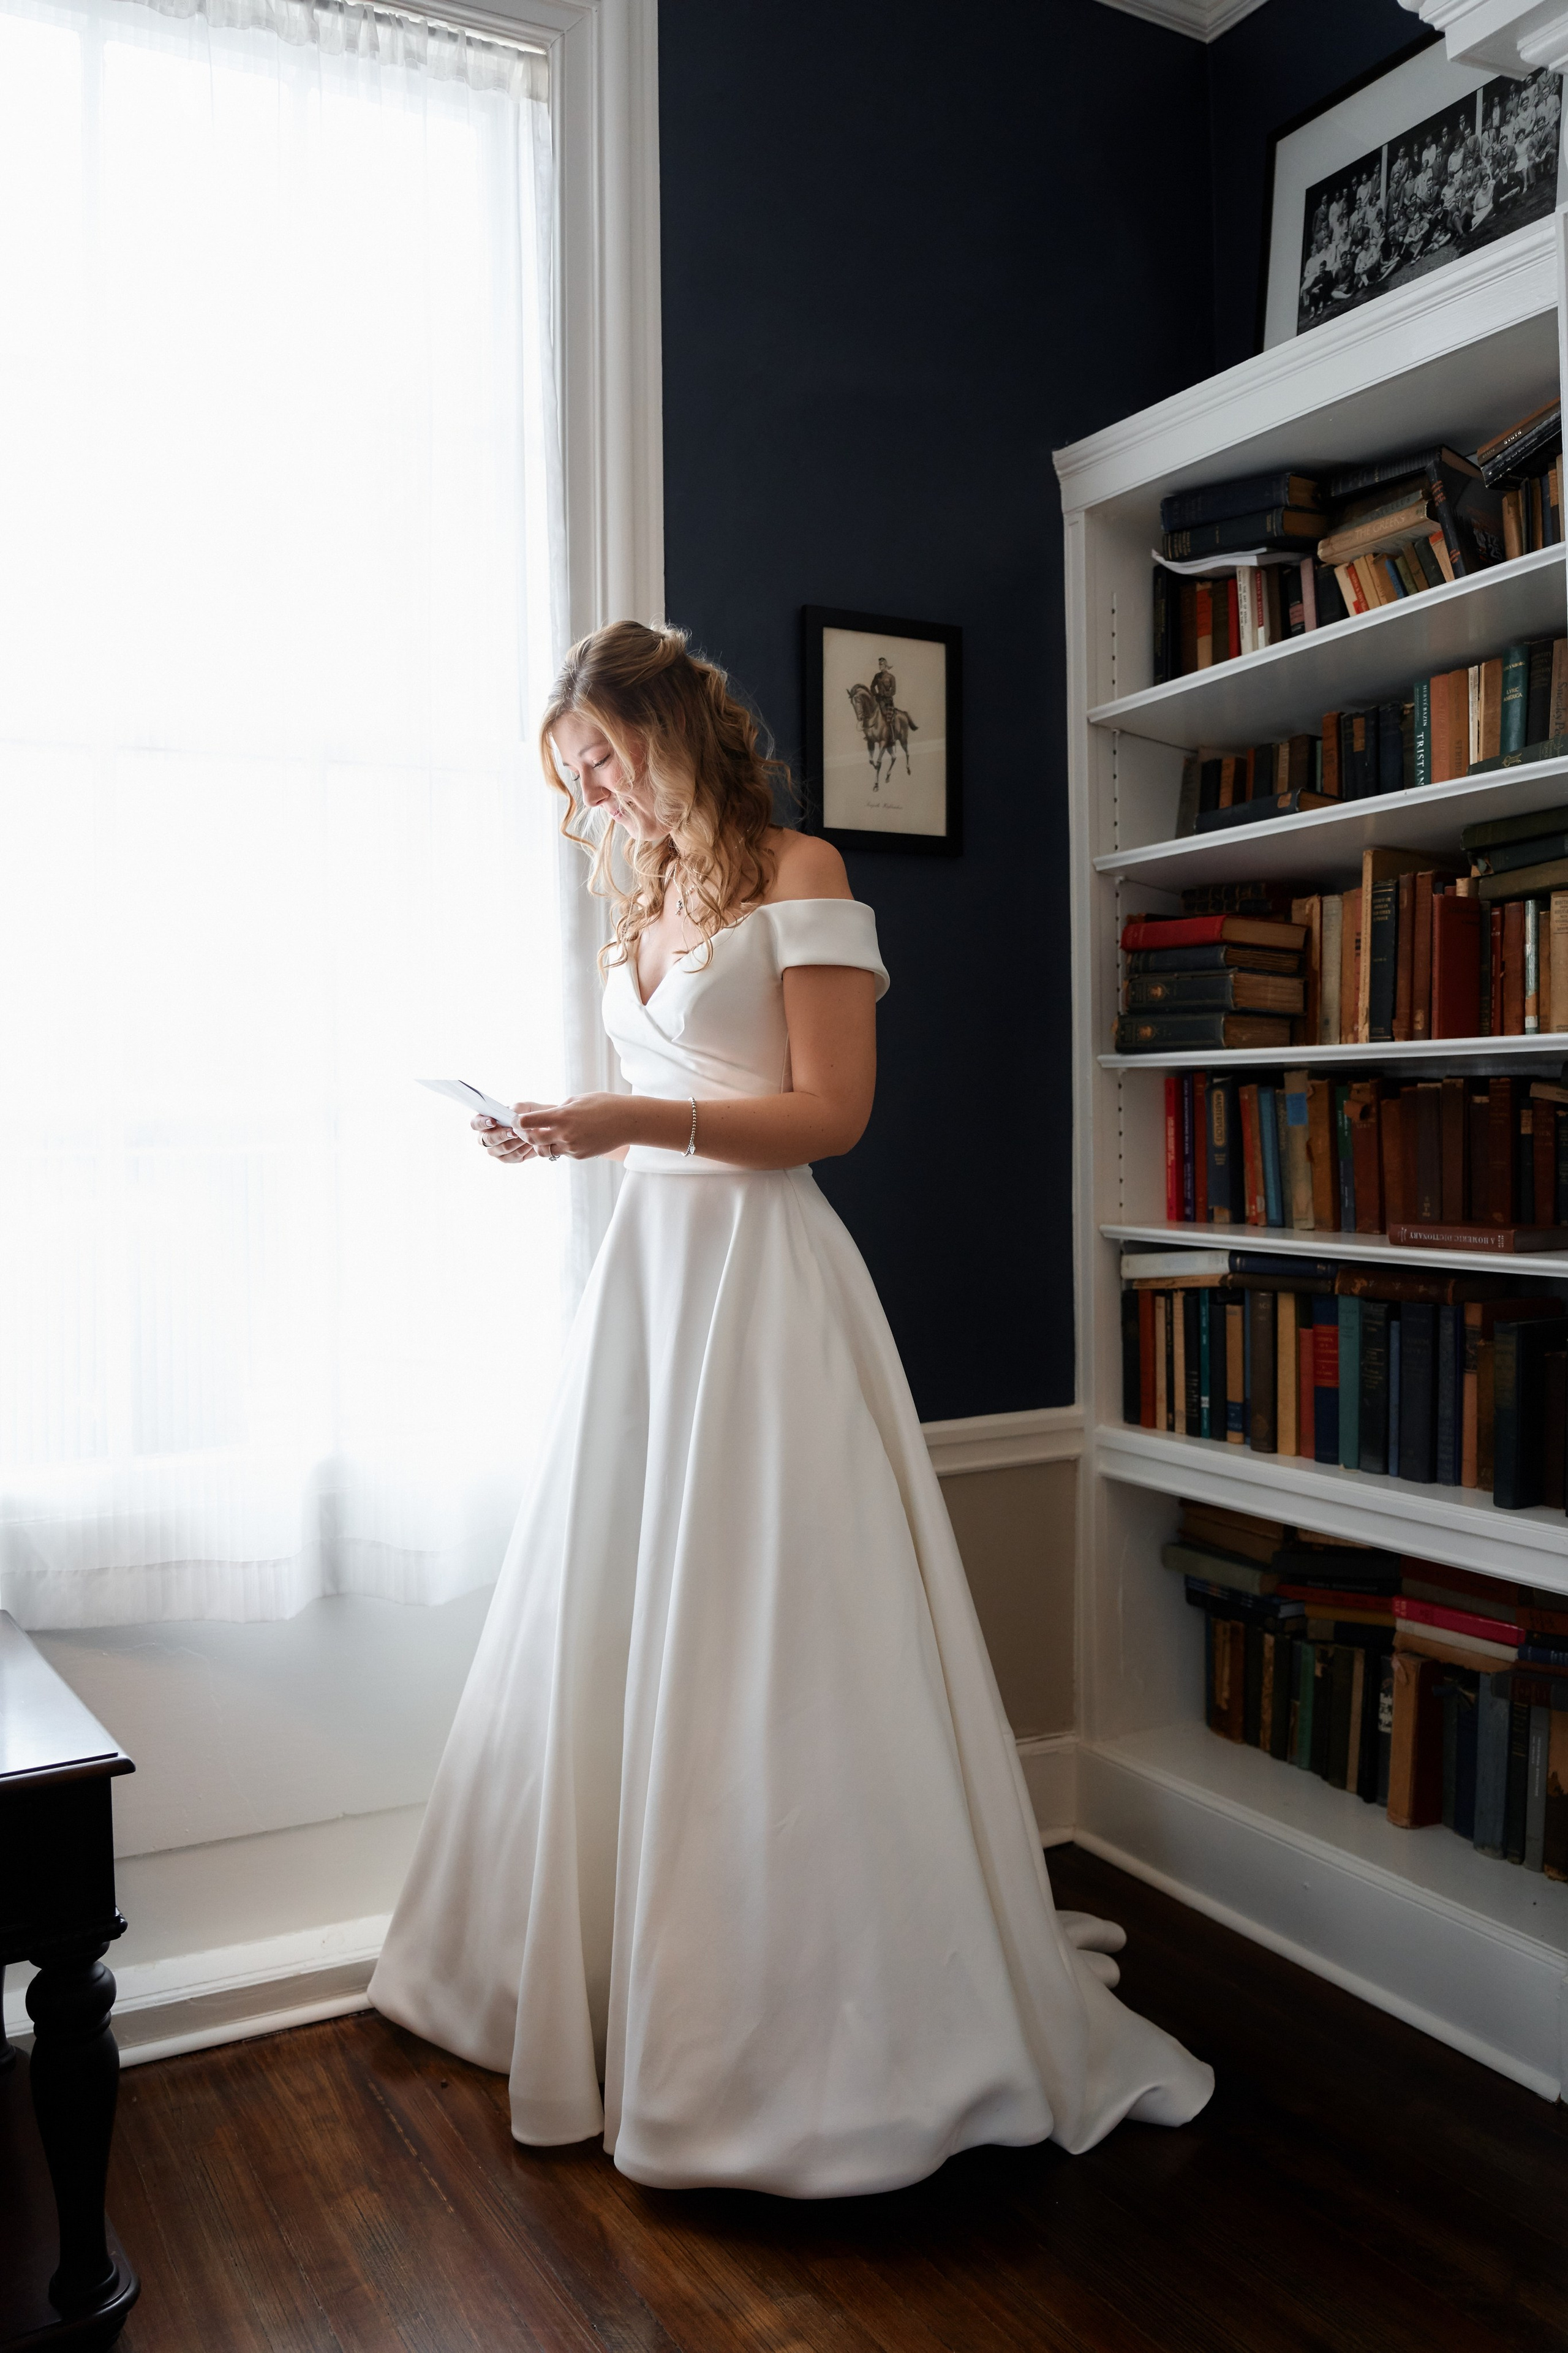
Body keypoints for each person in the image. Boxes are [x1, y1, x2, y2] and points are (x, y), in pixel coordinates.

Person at [369, 621, 1213, 2197]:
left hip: (761, 1286)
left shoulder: (800, 873)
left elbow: (829, 1113)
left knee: (773, 1624)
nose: (593, 796)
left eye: (603, 759)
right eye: (573, 778)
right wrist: (563, 1131)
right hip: (647, 1289)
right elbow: (661, 1103)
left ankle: (799, 2025)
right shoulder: (639, 897)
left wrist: (624, 1114)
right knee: (624, 1614)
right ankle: (615, 1978)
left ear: (668, 726)